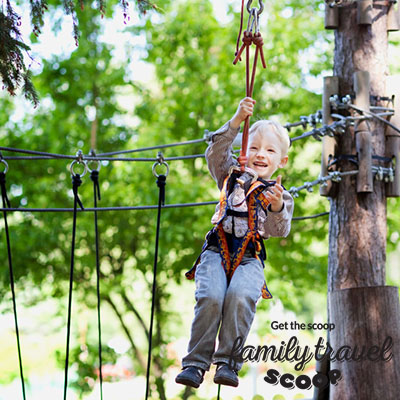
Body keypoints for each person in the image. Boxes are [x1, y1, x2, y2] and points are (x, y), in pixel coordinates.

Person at [175, 97, 294, 388]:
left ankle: (228, 362)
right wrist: (236, 121)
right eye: (253, 147)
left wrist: (276, 207)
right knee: (211, 297)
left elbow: (280, 230)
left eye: (269, 150)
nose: (260, 154)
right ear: (243, 151)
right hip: (218, 249)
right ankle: (195, 363)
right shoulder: (230, 175)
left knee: (241, 295)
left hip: (250, 258)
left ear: (282, 160)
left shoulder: (279, 195)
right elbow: (215, 152)